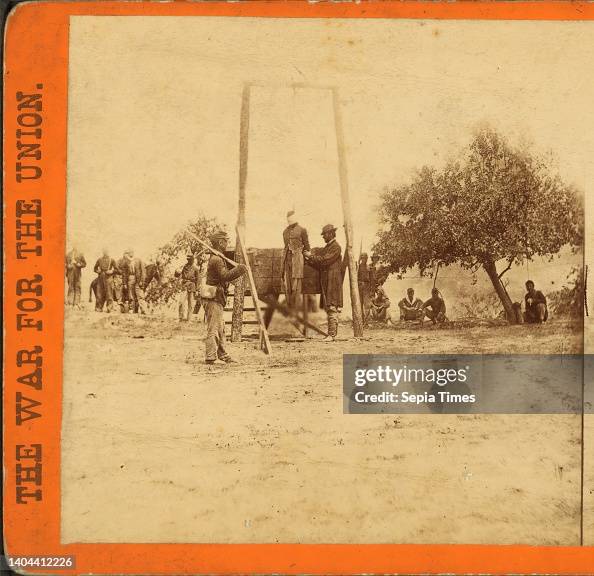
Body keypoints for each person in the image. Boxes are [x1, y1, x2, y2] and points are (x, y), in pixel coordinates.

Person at [203, 231, 247, 364]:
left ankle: (223, 355)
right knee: (213, 328)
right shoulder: (216, 259)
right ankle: (210, 357)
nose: (227, 243)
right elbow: (225, 276)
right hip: (213, 298)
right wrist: (239, 270)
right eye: (225, 241)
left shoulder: (217, 257)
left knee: (220, 328)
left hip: (216, 297)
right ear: (220, 242)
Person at [304, 224, 343, 342]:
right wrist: (309, 258)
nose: (323, 237)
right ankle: (331, 334)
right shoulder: (328, 247)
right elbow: (319, 260)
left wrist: (310, 256)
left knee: (332, 306)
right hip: (327, 280)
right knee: (329, 306)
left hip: (333, 280)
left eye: (325, 234)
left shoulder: (336, 247)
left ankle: (332, 335)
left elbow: (325, 261)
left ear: (331, 234)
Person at [282, 210, 310, 312]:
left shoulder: (302, 230)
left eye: (291, 218)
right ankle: (290, 310)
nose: (289, 220)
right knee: (287, 287)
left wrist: (306, 257)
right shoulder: (285, 232)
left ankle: (296, 310)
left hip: (297, 261)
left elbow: (307, 247)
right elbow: (285, 246)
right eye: (288, 218)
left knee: (296, 287)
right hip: (287, 262)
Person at [175, 253, 201, 322]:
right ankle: (180, 318)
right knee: (181, 302)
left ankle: (189, 319)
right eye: (188, 259)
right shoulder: (184, 267)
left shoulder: (196, 269)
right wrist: (177, 270)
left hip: (192, 286)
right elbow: (177, 275)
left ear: (193, 260)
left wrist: (197, 290)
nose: (189, 261)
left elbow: (198, 279)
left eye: (190, 259)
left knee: (191, 304)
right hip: (184, 285)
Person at [93, 248, 118, 312]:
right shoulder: (99, 260)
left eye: (106, 251)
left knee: (109, 293)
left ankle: (109, 308)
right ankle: (99, 307)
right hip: (100, 277)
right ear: (102, 252)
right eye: (104, 251)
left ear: (108, 252)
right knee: (99, 293)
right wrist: (98, 271)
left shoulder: (111, 260)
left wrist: (111, 271)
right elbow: (95, 268)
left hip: (108, 278)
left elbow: (117, 270)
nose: (105, 253)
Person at [126, 250, 147, 314]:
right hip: (130, 278)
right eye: (129, 252)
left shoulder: (138, 260)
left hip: (138, 279)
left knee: (140, 294)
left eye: (131, 252)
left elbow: (143, 271)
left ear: (133, 253)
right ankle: (131, 309)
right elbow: (125, 272)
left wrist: (141, 281)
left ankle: (143, 309)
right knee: (131, 295)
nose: (130, 253)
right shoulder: (127, 261)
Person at [358, 253, 372, 322]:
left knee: (367, 304)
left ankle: (366, 321)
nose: (364, 259)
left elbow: (371, 279)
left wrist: (371, 290)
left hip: (367, 287)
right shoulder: (358, 267)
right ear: (361, 259)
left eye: (365, 258)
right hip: (360, 287)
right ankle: (361, 320)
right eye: (363, 258)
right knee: (359, 303)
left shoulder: (368, 267)